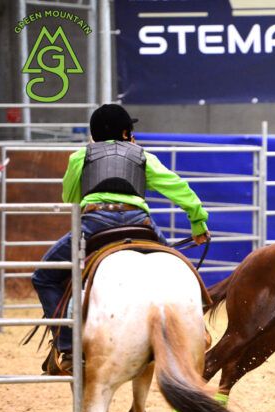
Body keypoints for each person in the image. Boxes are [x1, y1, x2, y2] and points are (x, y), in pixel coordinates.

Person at [32, 103, 210, 374]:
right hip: (140, 222)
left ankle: (67, 347)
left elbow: (69, 198)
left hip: (95, 224)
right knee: (178, 267)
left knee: (44, 276)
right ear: (126, 132)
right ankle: (199, 329)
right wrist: (198, 223)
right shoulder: (143, 157)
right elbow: (179, 189)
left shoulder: (80, 157)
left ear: (94, 134)